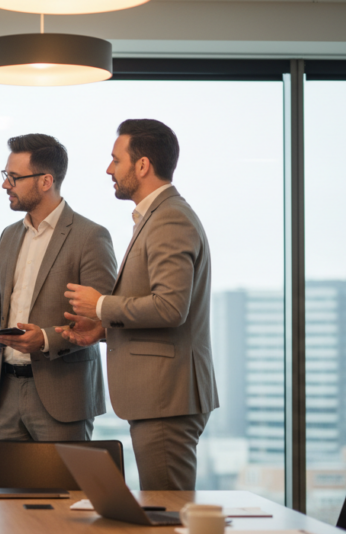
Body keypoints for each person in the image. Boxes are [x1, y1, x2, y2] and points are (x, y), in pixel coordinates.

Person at [60, 119, 218, 490]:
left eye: (116, 160)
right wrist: (104, 328)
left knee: (168, 512)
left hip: (167, 396)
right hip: (162, 395)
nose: (109, 169)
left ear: (143, 165)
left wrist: (102, 306)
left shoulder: (169, 219)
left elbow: (169, 307)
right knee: (164, 507)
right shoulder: (158, 217)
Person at [0, 134, 116, 441]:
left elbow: (99, 321)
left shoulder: (90, 236)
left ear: (45, 181)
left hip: (64, 396)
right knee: (4, 489)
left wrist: (44, 339)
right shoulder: (9, 236)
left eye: (13, 177)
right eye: (6, 176)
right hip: (9, 393)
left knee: (64, 489)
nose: (5, 185)